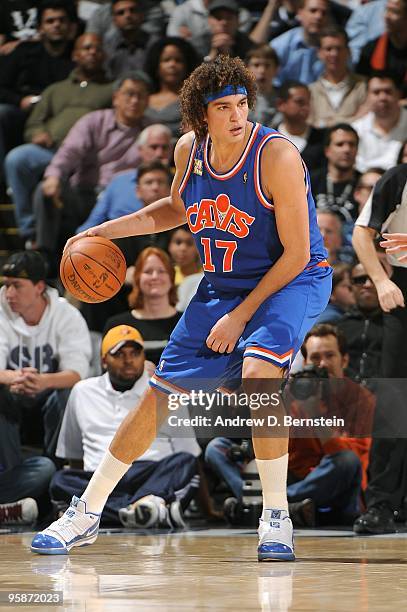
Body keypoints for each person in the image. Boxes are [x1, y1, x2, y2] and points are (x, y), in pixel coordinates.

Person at [31, 54, 332, 561]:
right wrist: (102, 231)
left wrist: (240, 317)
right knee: (158, 397)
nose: (237, 115)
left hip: (292, 279)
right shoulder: (188, 151)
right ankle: (87, 511)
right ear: (199, 115)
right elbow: (176, 208)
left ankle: (275, 517)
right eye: (223, 107)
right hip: (223, 284)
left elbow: (299, 254)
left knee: (260, 376)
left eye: (242, 104)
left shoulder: (276, 155)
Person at [206, 324, 374, 524]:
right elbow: (278, 450)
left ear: (344, 360)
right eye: (315, 358)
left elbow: (357, 459)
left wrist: (315, 417)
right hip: (293, 476)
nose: (322, 364)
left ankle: (261, 505)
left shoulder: (360, 397)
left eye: (330, 356)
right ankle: (281, 506)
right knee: (216, 448)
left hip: (331, 484)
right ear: (305, 362)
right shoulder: (292, 391)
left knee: (347, 461)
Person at [51, 325, 200, 527]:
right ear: (104, 361)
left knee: (185, 463)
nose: (129, 360)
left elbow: (189, 453)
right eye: (119, 354)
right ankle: (144, 510)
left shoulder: (167, 391)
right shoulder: (82, 391)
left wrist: (209, 509)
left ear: (143, 356)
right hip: (102, 474)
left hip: (151, 472)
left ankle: (109, 512)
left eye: (135, 353)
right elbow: (74, 456)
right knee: (60, 480)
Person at [32, 71, 151, 263]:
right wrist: (53, 176)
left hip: (120, 200)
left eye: (141, 95)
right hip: (83, 193)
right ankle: (44, 256)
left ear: (148, 101)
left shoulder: (150, 131)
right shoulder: (94, 121)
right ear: (115, 98)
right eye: (129, 94)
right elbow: (69, 151)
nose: (135, 100)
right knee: (44, 190)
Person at [4, 33, 111, 243]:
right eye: (86, 48)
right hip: (50, 149)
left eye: (97, 49)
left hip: (87, 155)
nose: (92, 52)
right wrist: (37, 133)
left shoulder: (111, 89)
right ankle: (29, 230)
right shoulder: (55, 89)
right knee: (17, 159)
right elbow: (35, 121)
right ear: (75, 55)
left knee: (42, 190)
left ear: (104, 55)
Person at [352, 163, 407, 534]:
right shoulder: (398, 178)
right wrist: (380, 280)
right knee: (394, 399)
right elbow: (361, 233)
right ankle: (382, 504)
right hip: (402, 289)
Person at [0, 251, 91, 459]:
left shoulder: (66, 314)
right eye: (6, 285)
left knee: (70, 394)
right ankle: (13, 473)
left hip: (48, 397)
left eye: (17, 285)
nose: (8, 293)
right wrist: (17, 377)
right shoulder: (0, 310)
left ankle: (54, 464)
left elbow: (77, 373)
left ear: (39, 287)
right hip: (10, 397)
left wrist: (42, 381)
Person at [0, 1, 75, 186]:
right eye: (50, 21)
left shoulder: (78, 56)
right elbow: (1, 87)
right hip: (24, 112)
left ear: (70, 26)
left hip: (59, 118)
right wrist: (20, 100)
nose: (56, 25)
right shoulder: (23, 52)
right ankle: (3, 181)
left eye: (61, 20)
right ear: (40, 27)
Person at [104, 247, 182, 365]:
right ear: (137, 278)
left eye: (162, 271)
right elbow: (106, 368)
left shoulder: (187, 322)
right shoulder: (117, 325)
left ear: (171, 278)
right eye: (148, 272)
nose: (155, 276)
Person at [308, 27, 368, 129]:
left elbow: (366, 121)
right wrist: (351, 120)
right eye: (328, 49)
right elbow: (310, 125)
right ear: (319, 53)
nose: (334, 54)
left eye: (339, 48)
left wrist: (325, 123)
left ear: (348, 51)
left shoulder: (364, 86)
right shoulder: (310, 91)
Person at [311, 124, 360, 237]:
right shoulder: (310, 182)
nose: (346, 149)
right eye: (340, 144)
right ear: (327, 150)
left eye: (351, 144)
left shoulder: (364, 184)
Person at [144, 37, 199, 136]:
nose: (172, 65)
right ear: (156, 65)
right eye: (166, 60)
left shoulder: (194, 101)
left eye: (178, 60)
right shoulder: (143, 100)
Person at [352, 74, 407, 173]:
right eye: (376, 92)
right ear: (366, 97)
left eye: (388, 92)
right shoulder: (356, 129)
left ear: (398, 94)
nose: (382, 97)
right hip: (366, 183)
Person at [271, 0, 328, 87]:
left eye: (324, 13)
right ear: (300, 13)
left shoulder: (334, 47)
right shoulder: (280, 46)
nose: (318, 16)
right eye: (313, 11)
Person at [357, 0, 407, 97]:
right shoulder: (370, 49)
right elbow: (361, 90)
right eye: (386, 10)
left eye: (394, 12)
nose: (386, 16)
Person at [274, 80, 325, 173]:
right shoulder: (267, 138)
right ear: (281, 104)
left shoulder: (321, 139)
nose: (306, 107)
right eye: (300, 102)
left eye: (308, 102)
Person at [245, 45, 280, 127]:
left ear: (276, 69)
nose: (262, 71)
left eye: (267, 65)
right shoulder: (238, 98)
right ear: (247, 69)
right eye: (256, 65)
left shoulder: (283, 97)